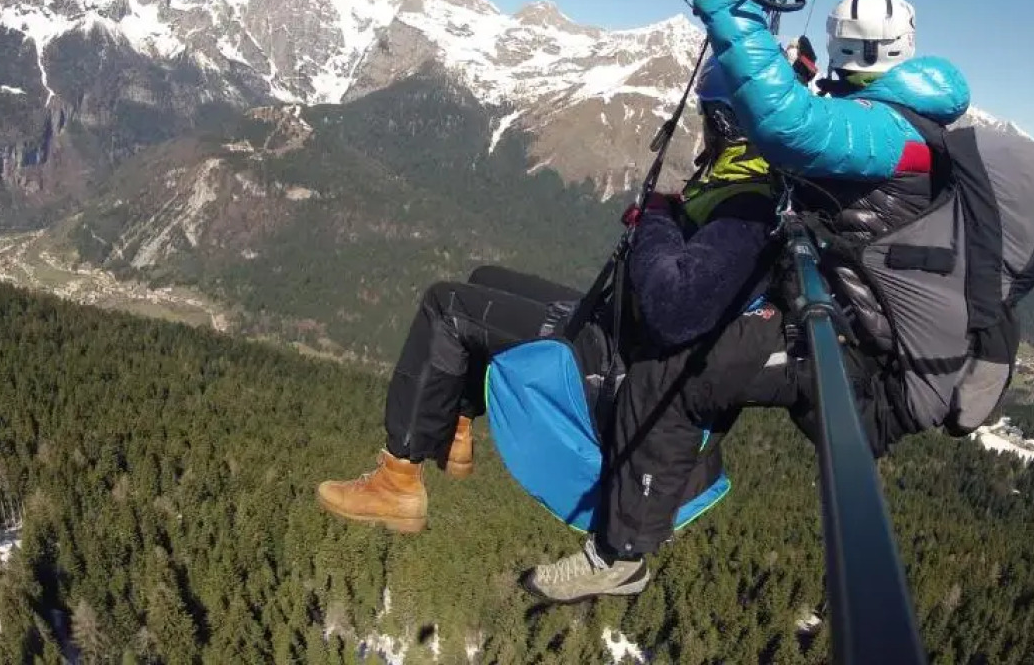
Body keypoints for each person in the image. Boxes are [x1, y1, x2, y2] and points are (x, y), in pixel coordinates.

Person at [523, 0, 976, 603]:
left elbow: (794, 126)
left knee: (685, 367)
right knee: (706, 340)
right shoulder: (903, 115)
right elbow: (814, 116)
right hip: (856, 324)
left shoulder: (889, 131)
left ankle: (621, 553)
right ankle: (659, 487)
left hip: (865, 357)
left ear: (843, 49)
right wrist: (777, 60)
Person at [315, 57, 781, 540]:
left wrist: (658, 219)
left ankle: (398, 481)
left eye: (706, 119)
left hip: (625, 367)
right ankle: (453, 428)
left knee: (445, 307)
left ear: (727, 123)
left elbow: (674, 308)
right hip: (624, 331)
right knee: (484, 276)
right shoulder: (742, 185)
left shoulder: (746, 204)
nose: (702, 132)